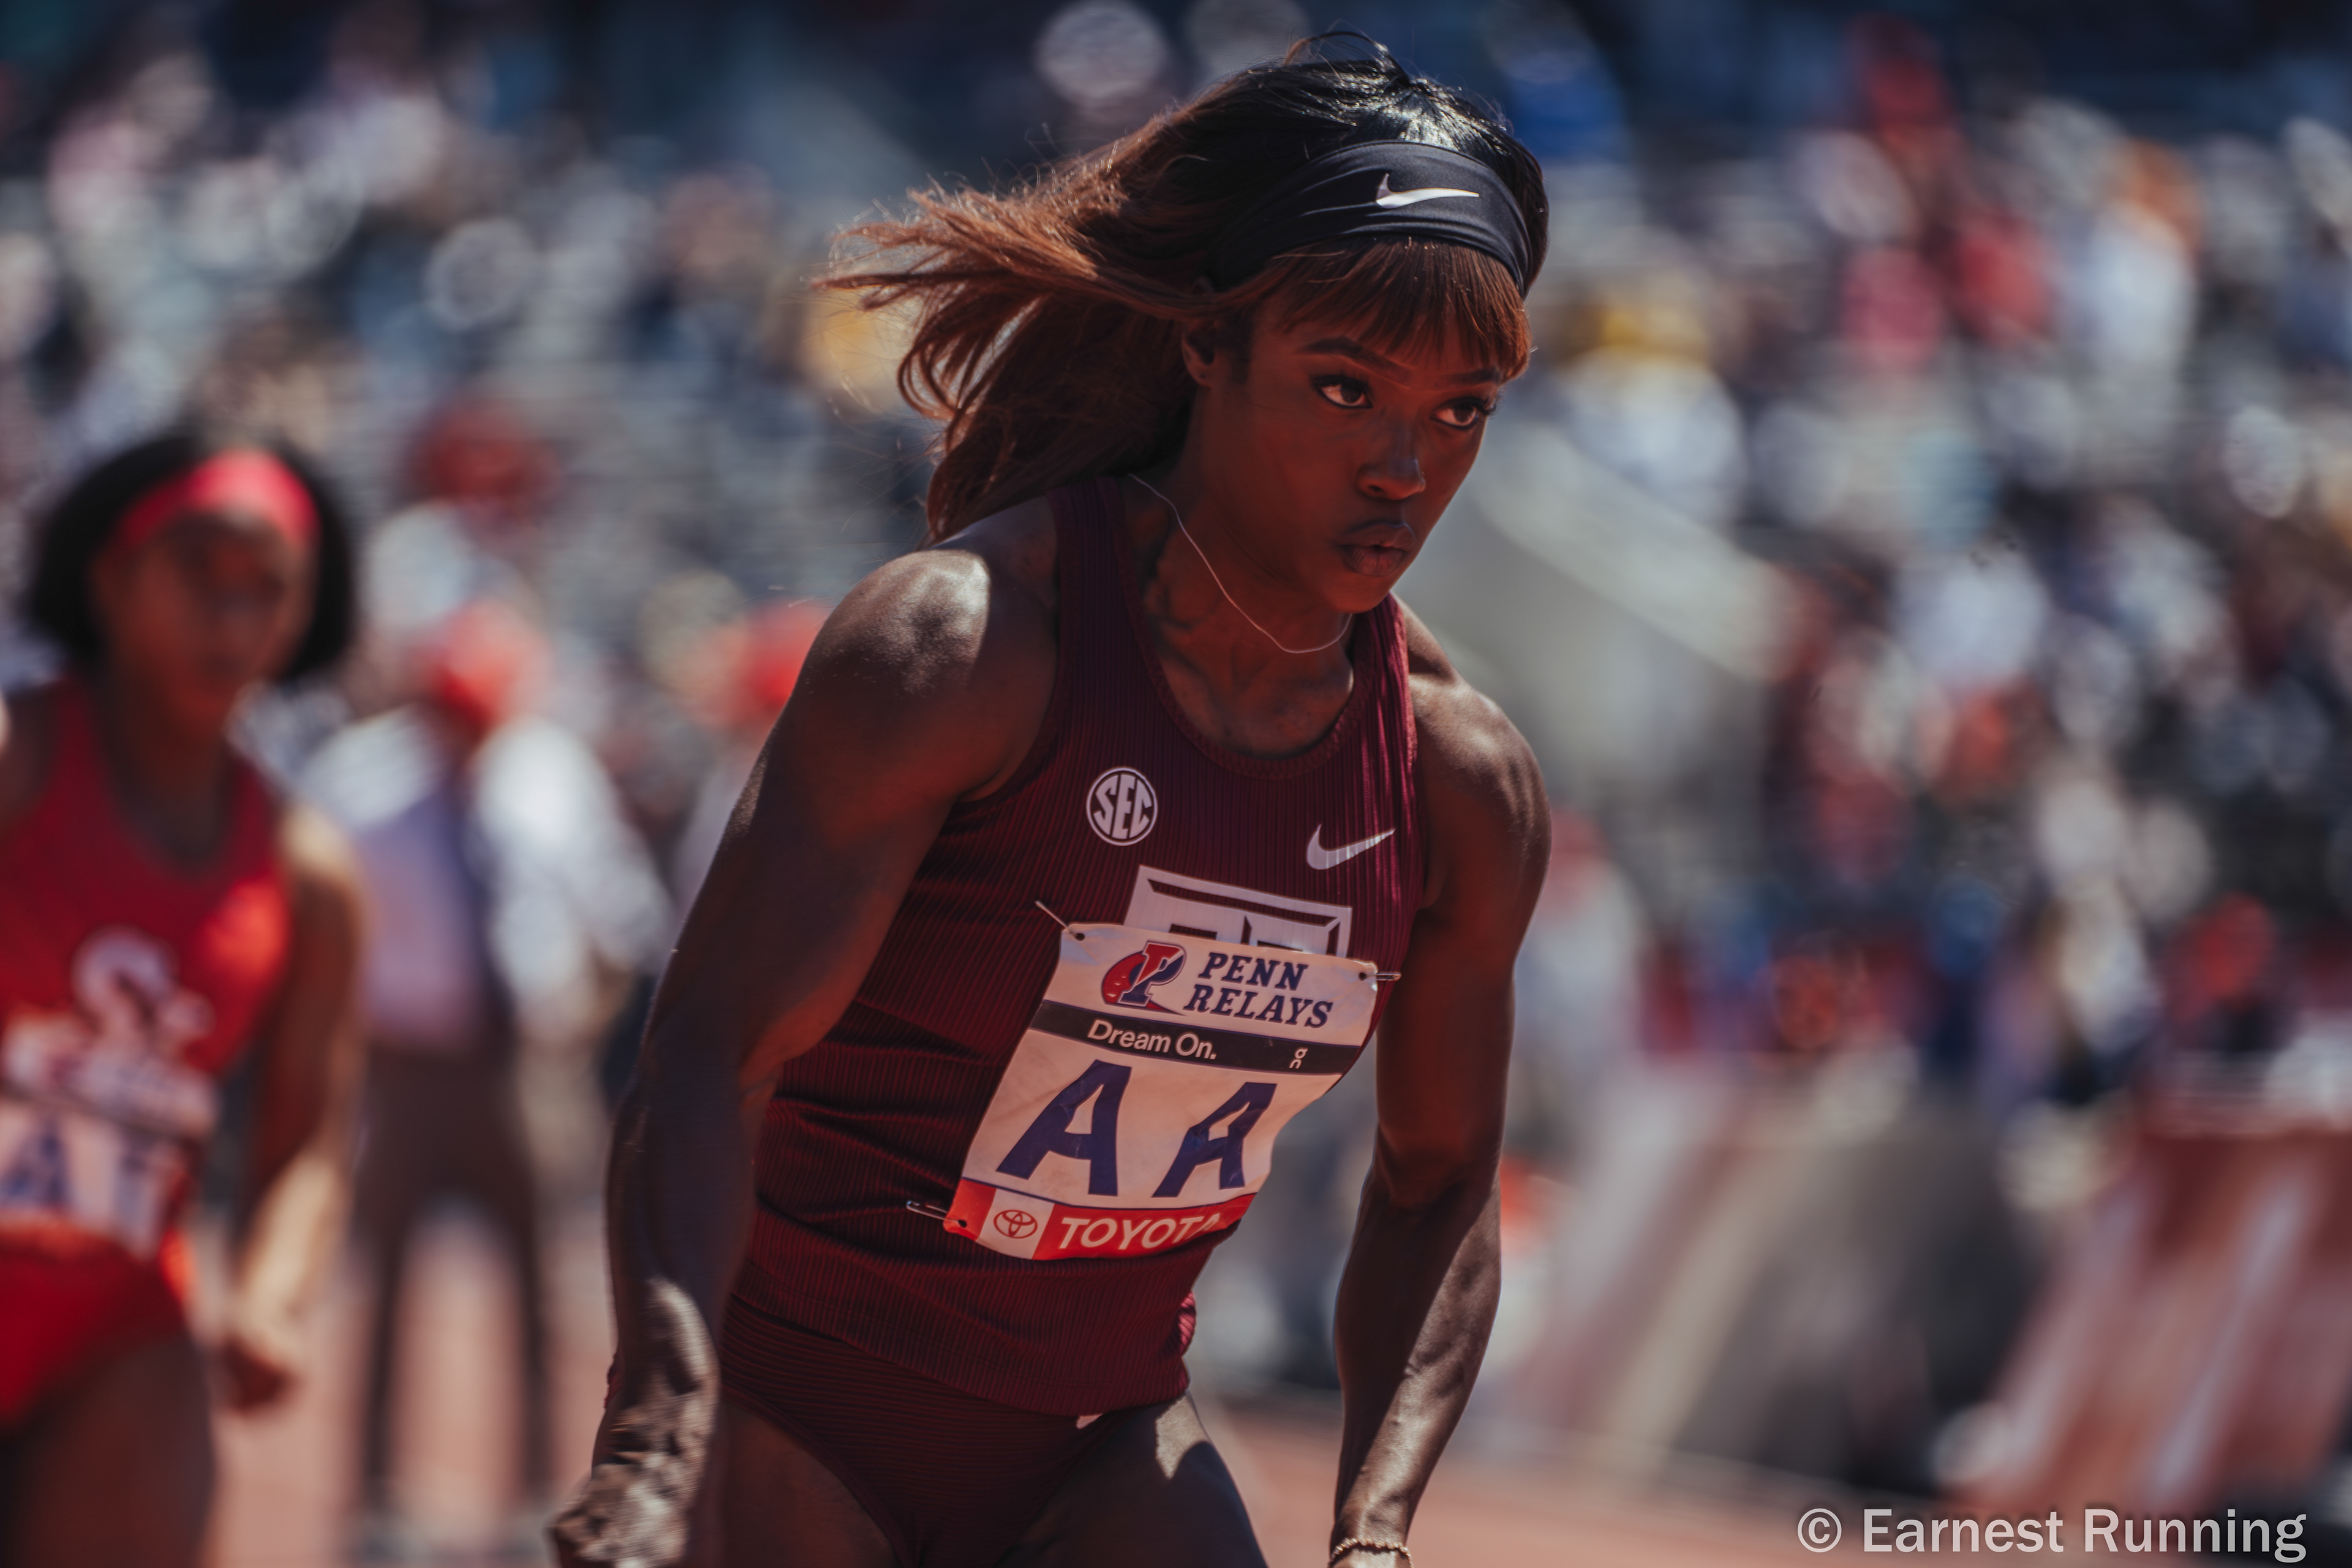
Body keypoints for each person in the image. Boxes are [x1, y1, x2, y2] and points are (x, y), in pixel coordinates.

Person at [554, 39, 1551, 1568]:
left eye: (1463, 410)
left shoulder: (1456, 780)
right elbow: (706, 1055)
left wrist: (1376, 1528)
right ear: (1208, 344)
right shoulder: (964, 650)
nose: (1403, 467)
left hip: (1099, 1441)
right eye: (1344, 388)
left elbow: (1438, 1180)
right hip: (796, 1404)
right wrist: (658, 1426)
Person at [0, 431, 365, 1567]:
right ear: (112, 577)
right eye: (199, 569)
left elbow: (310, 1138)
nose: (232, 615)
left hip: (114, 1323)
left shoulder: (306, 875)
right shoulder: (19, 763)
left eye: (268, 587)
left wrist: (270, 1295)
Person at [304, 596, 671, 1558]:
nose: (466, 737)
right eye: (451, 714)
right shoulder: (360, 783)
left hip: (524, 1066)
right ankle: (379, 1505)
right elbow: (312, 928)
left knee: (543, 1290)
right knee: (384, 1284)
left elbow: (620, 923)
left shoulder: (552, 777)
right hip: (404, 1067)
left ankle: (532, 1500)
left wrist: (573, 1037)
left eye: (482, 716)